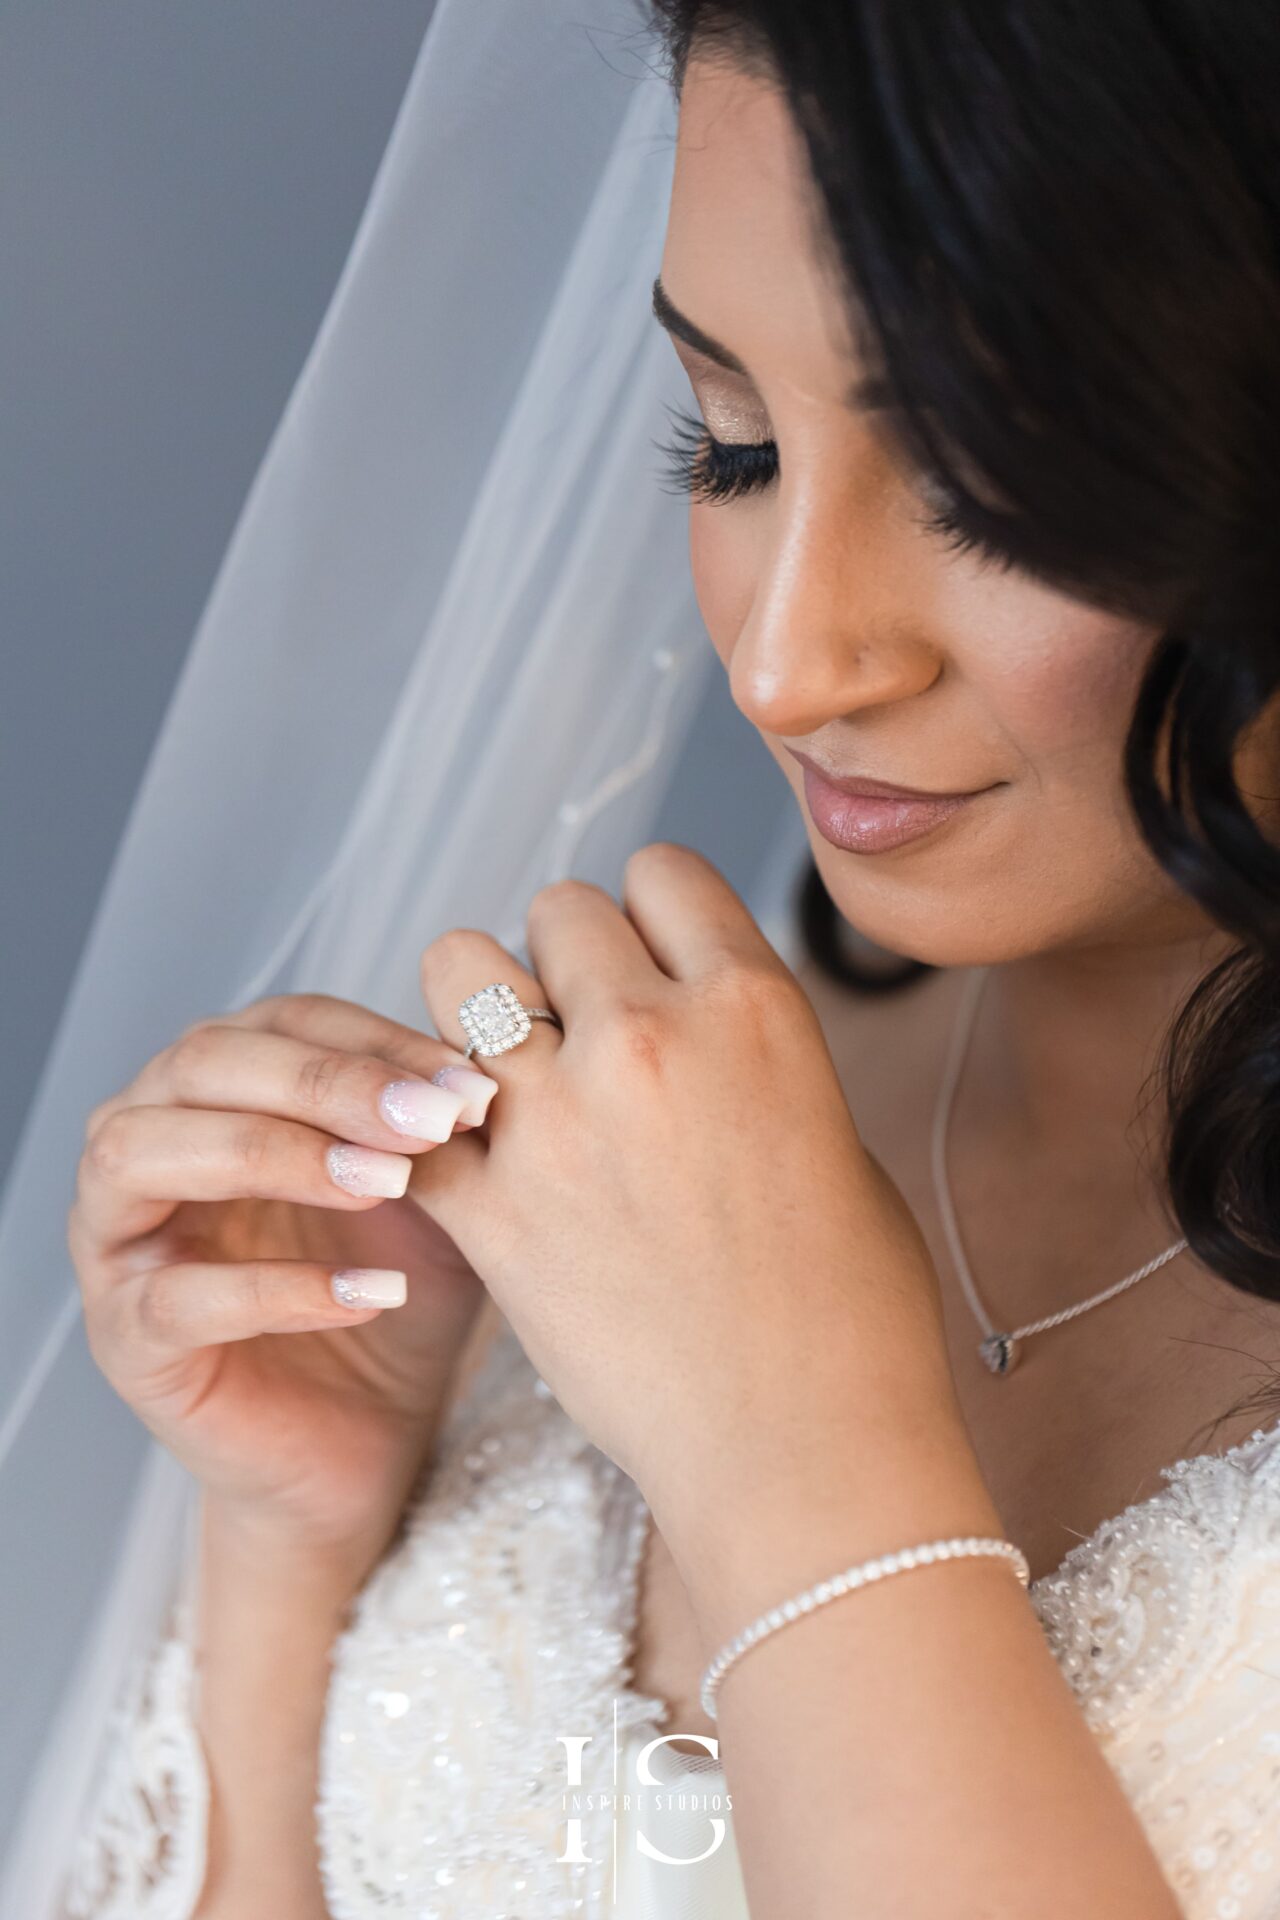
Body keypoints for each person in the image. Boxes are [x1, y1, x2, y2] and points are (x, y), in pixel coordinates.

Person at [55, 3, 1280, 1916]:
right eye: (731, 447)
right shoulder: (644, 1130)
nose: (791, 665)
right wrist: (295, 1540)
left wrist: (803, 1467)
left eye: (989, 480)